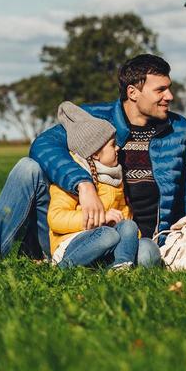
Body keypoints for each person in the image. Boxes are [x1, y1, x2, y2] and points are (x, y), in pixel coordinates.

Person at [0, 54, 186, 266]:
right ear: (133, 92)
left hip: (136, 239)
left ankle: (119, 261)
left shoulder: (179, 130)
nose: (169, 96)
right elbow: (42, 145)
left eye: (169, 88)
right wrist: (83, 183)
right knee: (27, 168)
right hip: (69, 236)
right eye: (161, 90)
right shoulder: (94, 118)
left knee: (144, 253)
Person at [47, 102, 140, 269]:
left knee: (129, 226)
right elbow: (56, 219)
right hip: (72, 243)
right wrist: (101, 219)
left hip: (104, 241)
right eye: (112, 144)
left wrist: (133, 237)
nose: (118, 148)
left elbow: (124, 214)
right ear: (96, 154)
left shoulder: (114, 178)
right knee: (108, 235)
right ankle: (64, 266)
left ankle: (121, 267)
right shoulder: (74, 179)